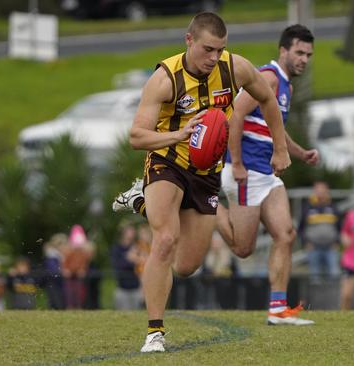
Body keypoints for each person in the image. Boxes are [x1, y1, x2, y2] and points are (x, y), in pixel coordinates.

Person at [112, 12, 293, 352]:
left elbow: (267, 98)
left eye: (220, 49)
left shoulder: (233, 67)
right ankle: (154, 333)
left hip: (206, 172)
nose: (214, 58)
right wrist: (179, 134)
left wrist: (280, 148)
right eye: (208, 49)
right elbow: (136, 136)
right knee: (164, 240)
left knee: (185, 266)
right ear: (189, 40)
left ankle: (140, 200)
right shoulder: (165, 79)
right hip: (167, 161)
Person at [215, 24, 319, 325]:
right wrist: (235, 164)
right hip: (245, 172)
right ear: (283, 51)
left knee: (285, 235)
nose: (304, 59)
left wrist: (301, 153)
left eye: (308, 55)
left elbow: (276, 130)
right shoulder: (269, 78)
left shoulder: (287, 84)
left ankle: (277, 309)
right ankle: (202, 203)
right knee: (243, 249)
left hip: (267, 175)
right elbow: (235, 116)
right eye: (299, 52)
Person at [299, 181, 341, 279]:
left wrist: (337, 242)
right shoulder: (307, 207)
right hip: (313, 248)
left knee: (334, 275)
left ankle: (333, 294)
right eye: (318, 190)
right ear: (314, 191)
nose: (321, 193)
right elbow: (301, 228)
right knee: (314, 277)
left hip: (331, 248)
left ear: (327, 191)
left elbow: (340, 226)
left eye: (323, 190)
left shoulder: (334, 207)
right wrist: (305, 242)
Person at [110, 224, 144, 310]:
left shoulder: (137, 247)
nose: (131, 233)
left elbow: (142, 264)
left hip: (136, 288)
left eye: (133, 231)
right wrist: (130, 259)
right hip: (122, 288)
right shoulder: (117, 248)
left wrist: (133, 259)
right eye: (129, 231)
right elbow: (117, 265)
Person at [61, 225, 93, 309]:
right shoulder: (69, 252)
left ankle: (79, 306)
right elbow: (65, 262)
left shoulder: (83, 254)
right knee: (70, 291)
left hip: (78, 275)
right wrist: (66, 269)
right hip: (70, 275)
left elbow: (85, 263)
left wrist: (82, 270)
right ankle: (70, 306)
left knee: (79, 292)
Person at [43, 233, 66, 310]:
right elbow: (54, 271)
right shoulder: (52, 256)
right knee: (56, 302)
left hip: (58, 282)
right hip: (54, 282)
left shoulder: (59, 256)